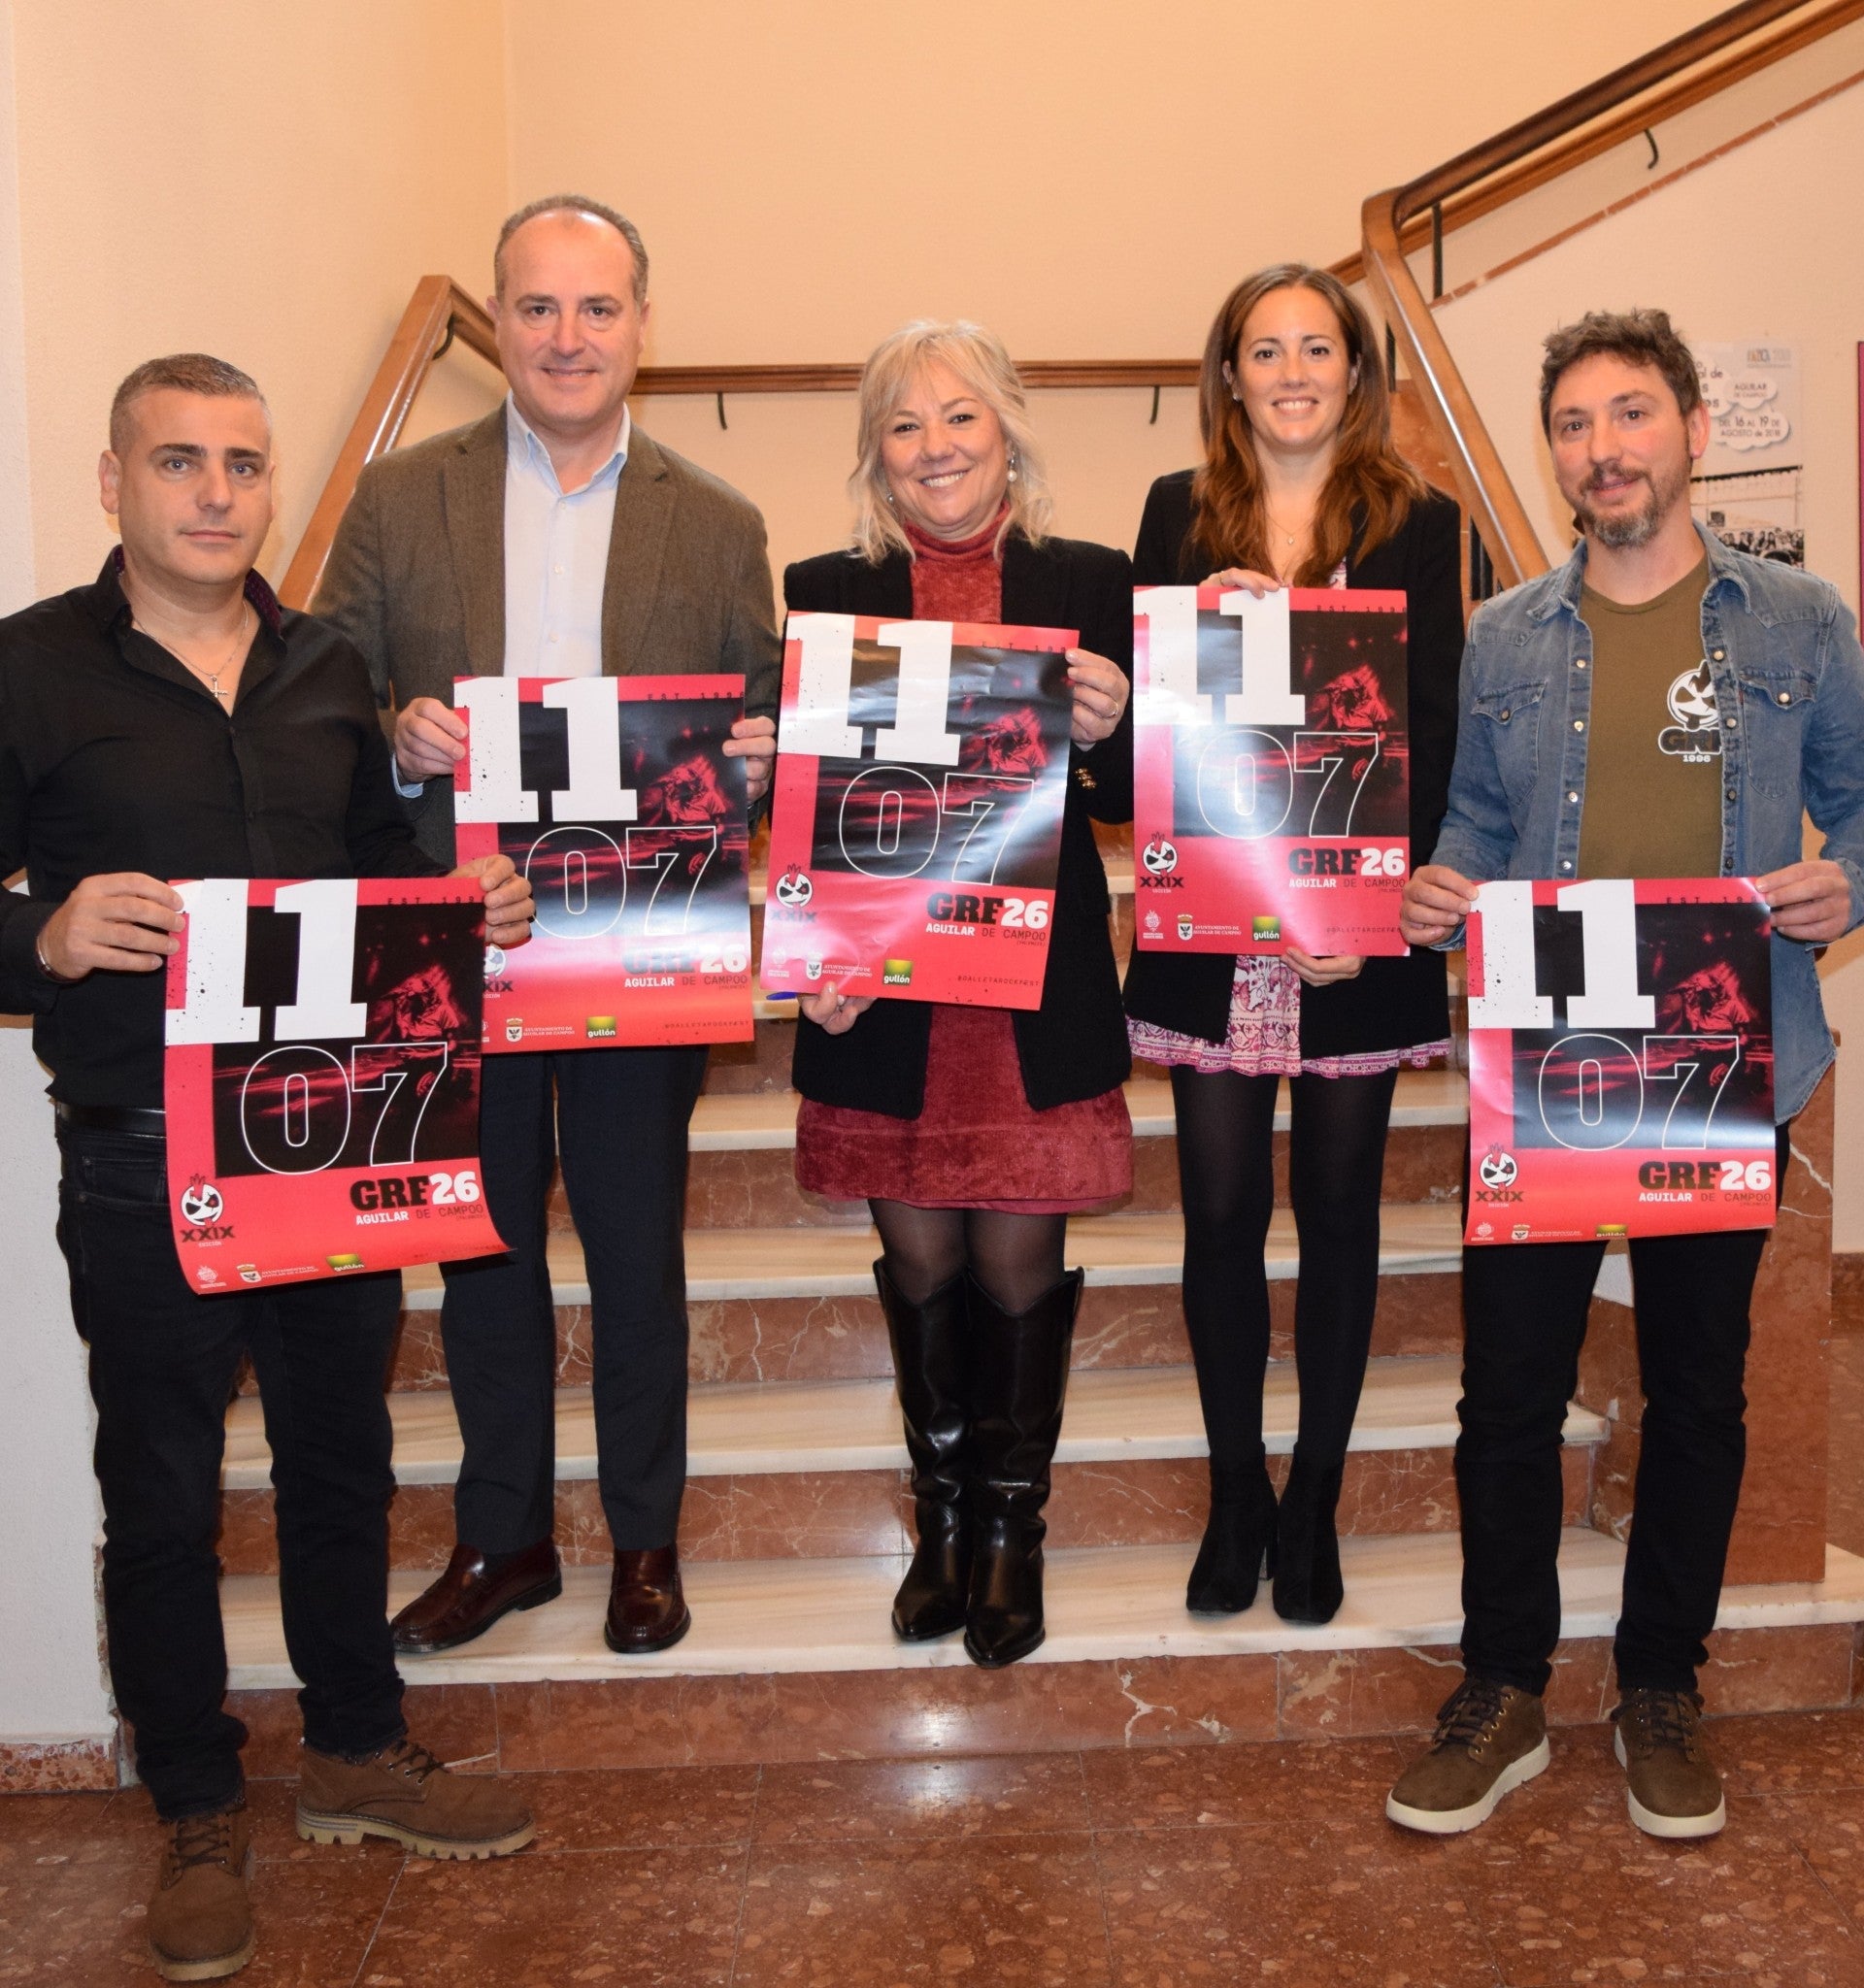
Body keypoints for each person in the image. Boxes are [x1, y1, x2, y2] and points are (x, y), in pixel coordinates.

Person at [0, 354, 539, 1982]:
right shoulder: (29, 669)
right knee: (160, 1490)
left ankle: (358, 1756)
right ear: (116, 485)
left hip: (336, 1141)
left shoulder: (331, 670)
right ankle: (191, 1804)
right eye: (179, 463)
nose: (216, 493)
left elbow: (385, 888)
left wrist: (471, 902)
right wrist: (39, 932)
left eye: (242, 463)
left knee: (339, 1462)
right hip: (139, 1157)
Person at [1390, 308, 1864, 1840]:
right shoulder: (1507, 634)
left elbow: (1863, 814)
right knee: (1507, 1397)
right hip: (1550, 1063)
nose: (1605, 448)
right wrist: (1439, 887)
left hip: (1725, 1059)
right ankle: (1505, 1687)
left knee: (1699, 1392)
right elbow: (1471, 818)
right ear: (1560, 455)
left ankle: (1663, 1683)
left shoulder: (1801, 621)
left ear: (1690, 430)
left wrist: (1845, 885)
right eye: (1578, 425)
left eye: (1632, 415)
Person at [316, 196, 782, 1659]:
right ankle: (505, 1537)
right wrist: (394, 739)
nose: (567, 336)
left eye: (597, 308)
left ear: (644, 324)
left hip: (644, 940)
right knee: (484, 1254)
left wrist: (759, 756)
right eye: (537, 307)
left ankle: (644, 1544)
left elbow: (757, 715)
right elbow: (322, 700)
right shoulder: (402, 501)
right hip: (458, 938)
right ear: (499, 324)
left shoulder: (718, 522)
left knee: (639, 1254)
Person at [784, 320, 1134, 1668]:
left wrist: (1112, 732)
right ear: (876, 457)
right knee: (920, 1264)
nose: (935, 448)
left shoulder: (1089, 579)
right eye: (904, 426)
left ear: (1010, 435)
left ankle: (1010, 1531)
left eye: (961, 420)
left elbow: (1134, 800)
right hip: (887, 998)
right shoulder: (822, 589)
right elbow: (817, 812)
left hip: (1028, 995)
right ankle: (937, 1520)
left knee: (1014, 1266)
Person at [1121, 265, 1463, 1624]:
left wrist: (1367, 908)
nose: (1293, 371)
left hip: (1354, 924)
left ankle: (1314, 1497)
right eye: (1264, 350)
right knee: (1217, 1217)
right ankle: (1235, 1491)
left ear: (1355, 370)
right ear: (1229, 376)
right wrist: (1192, 633)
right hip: (1211, 915)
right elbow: (1151, 722)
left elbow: (1429, 720)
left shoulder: (1420, 520)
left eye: (1317, 346)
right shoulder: (1172, 509)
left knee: (1335, 1215)